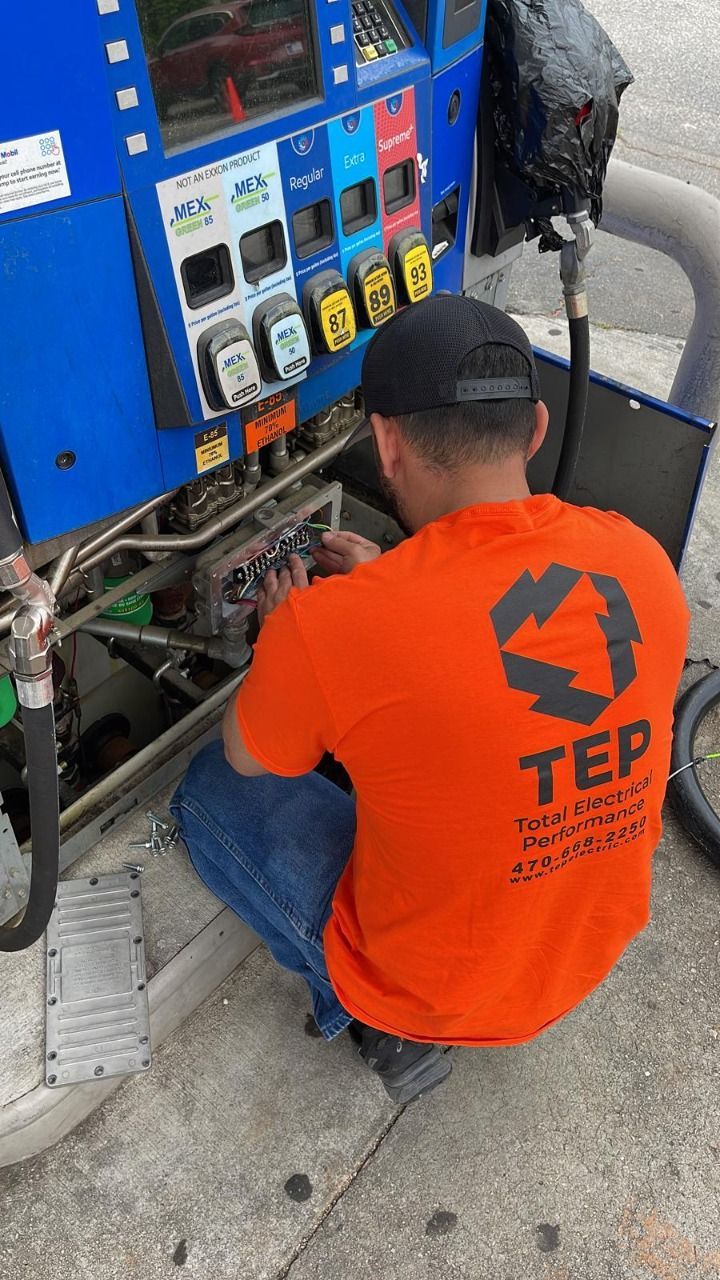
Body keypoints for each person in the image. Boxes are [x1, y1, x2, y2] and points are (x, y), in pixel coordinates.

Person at [171, 295, 689, 1106]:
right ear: (538, 428)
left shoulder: (337, 627)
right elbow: (496, 648)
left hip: (436, 989)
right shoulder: (641, 560)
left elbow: (248, 754)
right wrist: (398, 577)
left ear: (385, 440)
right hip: (580, 955)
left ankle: (379, 1019)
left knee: (209, 788)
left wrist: (286, 643)